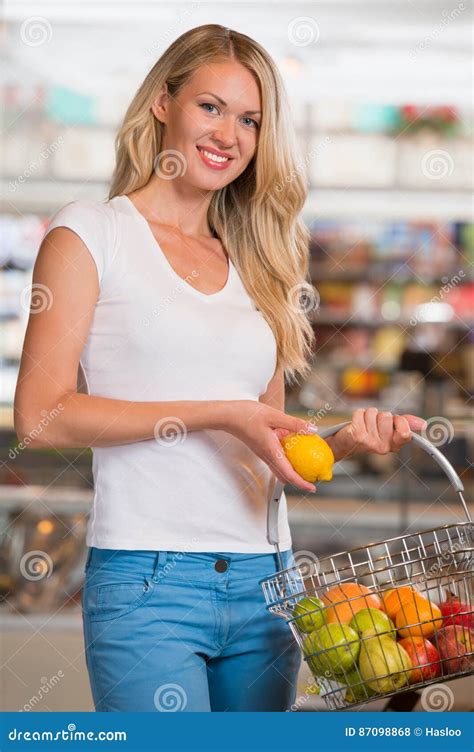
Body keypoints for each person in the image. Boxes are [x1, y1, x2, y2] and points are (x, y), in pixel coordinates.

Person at [14, 24, 426, 712]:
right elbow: (40, 416)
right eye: (211, 107)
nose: (229, 134)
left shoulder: (258, 262)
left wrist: (344, 443)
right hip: (148, 582)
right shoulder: (91, 234)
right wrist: (218, 411)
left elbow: (265, 447)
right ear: (162, 103)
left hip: (267, 582)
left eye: (250, 120)